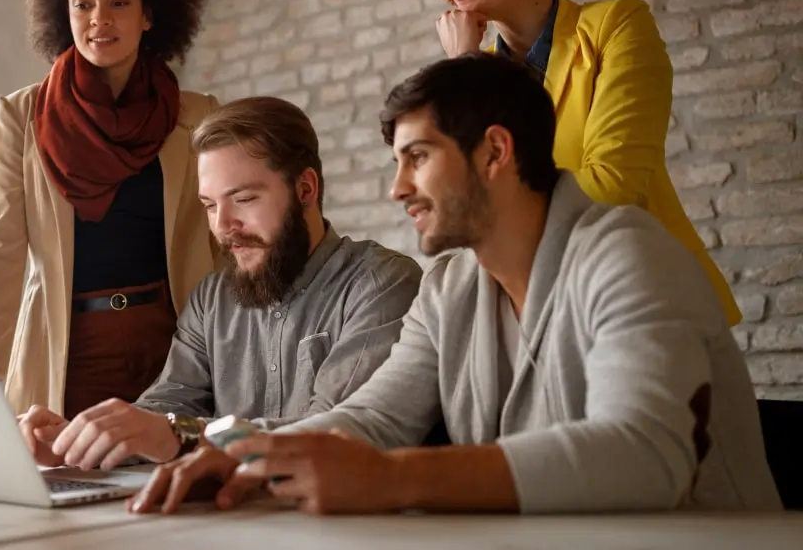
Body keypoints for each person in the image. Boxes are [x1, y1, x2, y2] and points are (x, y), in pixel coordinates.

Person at [127, 53, 782, 516]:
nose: (397, 188)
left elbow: (644, 454)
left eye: (418, 157)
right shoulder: (449, 288)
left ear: (494, 153)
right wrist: (249, 455)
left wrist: (392, 478)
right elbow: (373, 418)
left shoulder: (628, 253)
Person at [16, 97, 423, 471]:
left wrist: (183, 435)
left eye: (243, 199)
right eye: (210, 206)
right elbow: (163, 411)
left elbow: (335, 432)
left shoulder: (381, 284)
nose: (223, 227)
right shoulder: (211, 300)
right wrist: (77, 441)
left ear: (305, 190)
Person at [426, 0, 741, 325]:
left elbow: (613, 186)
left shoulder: (617, 25)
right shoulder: (476, 71)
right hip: (536, 321)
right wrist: (463, 69)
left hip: (646, 305)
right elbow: (458, 208)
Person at [0, 0, 220, 419]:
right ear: (64, 15)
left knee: (174, 482)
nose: (98, 19)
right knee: (69, 481)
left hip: (178, 343)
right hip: (67, 346)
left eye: (119, 3)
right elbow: (0, 246)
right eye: (82, 4)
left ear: (149, 13)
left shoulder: (198, 115)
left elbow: (220, 240)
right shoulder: (19, 117)